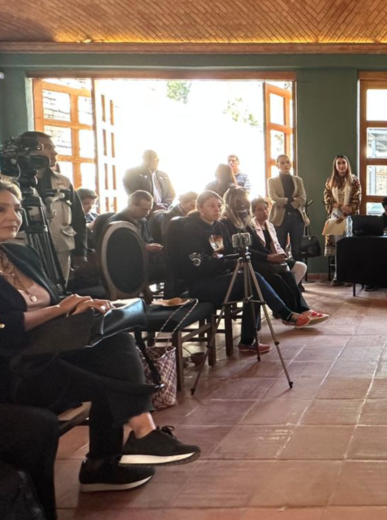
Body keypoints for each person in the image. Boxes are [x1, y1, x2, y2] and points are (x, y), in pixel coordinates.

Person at [0, 180, 200, 494]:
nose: (13, 216)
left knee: (113, 338)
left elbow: (52, 299)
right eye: (2, 209)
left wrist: (78, 304)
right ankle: (116, 454)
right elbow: (7, 326)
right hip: (16, 370)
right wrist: (60, 309)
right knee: (113, 368)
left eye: (17, 208)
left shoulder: (19, 253)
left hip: (50, 353)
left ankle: (122, 451)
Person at [167, 190, 313, 354]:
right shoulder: (190, 229)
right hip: (201, 283)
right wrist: (228, 262)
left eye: (219, 205)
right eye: (211, 206)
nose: (217, 209)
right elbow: (199, 263)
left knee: (252, 283)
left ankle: (248, 341)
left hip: (222, 277)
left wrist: (234, 259)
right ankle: (285, 314)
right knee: (253, 280)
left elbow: (231, 252)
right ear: (199, 207)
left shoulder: (219, 226)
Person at [219, 187, 327, 324]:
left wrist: (273, 256)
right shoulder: (225, 224)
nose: (243, 204)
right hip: (240, 263)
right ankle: (291, 314)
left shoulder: (245, 223)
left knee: (286, 272)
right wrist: (268, 258)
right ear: (230, 203)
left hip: (254, 260)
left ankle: (302, 310)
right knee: (275, 277)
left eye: (245, 200)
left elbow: (258, 246)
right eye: (239, 200)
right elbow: (237, 250)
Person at [20, 131, 88, 282]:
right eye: (48, 148)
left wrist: (80, 251)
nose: (54, 152)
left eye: (53, 148)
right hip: (25, 250)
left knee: (59, 289)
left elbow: (78, 217)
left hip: (60, 251)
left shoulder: (63, 182)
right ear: (28, 151)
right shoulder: (10, 182)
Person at [323, 155, 361, 286]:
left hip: (350, 216)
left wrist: (347, 210)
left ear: (347, 164)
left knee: (349, 246)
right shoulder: (330, 181)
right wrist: (339, 206)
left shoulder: (354, 180)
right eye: (338, 163)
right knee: (338, 247)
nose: (341, 166)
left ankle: (350, 276)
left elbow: (357, 198)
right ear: (335, 166)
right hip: (335, 216)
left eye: (343, 163)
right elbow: (327, 199)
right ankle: (338, 275)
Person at [252, 197, 308, 284]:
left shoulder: (270, 225)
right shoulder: (251, 227)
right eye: (260, 210)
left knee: (301, 267)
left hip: (275, 257)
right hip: (264, 259)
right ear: (253, 212)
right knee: (284, 272)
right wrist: (270, 257)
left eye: (266, 208)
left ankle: (290, 288)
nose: (265, 211)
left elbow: (277, 245)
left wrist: (282, 255)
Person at [268, 155, 310, 262]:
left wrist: (289, 204)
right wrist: (291, 200)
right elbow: (274, 198)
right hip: (279, 219)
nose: (286, 165)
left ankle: (299, 272)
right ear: (277, 165)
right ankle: (283, 272)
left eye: (287, 162)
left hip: (297, 218)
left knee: (297, 250)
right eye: (282, 163)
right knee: (279, 249)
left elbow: (303, 198)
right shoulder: (272, 181)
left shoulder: (298, 180)